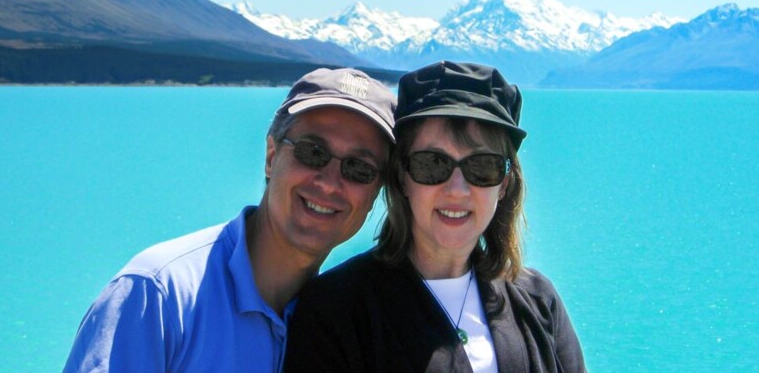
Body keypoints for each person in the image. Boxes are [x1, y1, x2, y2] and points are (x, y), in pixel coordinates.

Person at [63, 68, 396, 373]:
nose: (328, 182)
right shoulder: (160, 295)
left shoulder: (342, 325)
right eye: (312, 152)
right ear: (271, 157)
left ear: (375, 194)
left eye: (359, 169)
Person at [284, 61, 586, 373]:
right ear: (403, 176)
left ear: (505, 183)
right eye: (432, 164)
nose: (457, 189)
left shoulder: (539, 301)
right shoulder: (337, 311)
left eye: (482, 167)